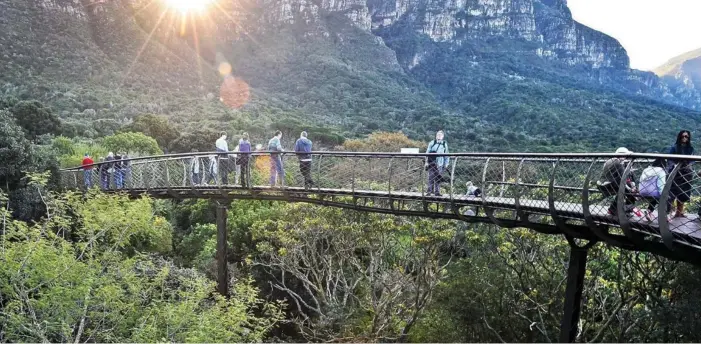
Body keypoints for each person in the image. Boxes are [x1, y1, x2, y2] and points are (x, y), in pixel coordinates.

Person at [597, 147, 638, 216]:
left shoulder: (610, 160)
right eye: (626, 156)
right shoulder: (618, 163)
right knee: (628, 191)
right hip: (608, 185)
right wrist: (630, 189)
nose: (626, 158)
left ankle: (613, 209)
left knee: (624, 191)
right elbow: (622, 178)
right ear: (622, 155)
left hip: (601, 184)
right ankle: (627, 209)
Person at [667, 130, 695, 218]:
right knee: (672, 193)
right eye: (683, 136)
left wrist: (689, 165)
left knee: (683, 193)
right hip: (676, 173)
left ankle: (679, 212)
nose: (684, 138)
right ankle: (669, 212)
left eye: (686, 136)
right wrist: (674, 166)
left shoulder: (690, 148)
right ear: (680, 137)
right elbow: (670, 159)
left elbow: (692, 159)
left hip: (686, 173)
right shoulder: (674, 147)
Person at [639, 157, 671, 222]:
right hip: (652, 192)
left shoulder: (646, 169)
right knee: (669, 197)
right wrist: (664, 195)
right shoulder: (661, 171)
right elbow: (660, 186)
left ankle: (649, 211)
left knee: (655, 197)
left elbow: (640, 181)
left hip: (642, 191)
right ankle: (666, 215)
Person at [424, 130, 450, 196]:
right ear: (436, 136)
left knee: (438, 178)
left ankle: (437, 192)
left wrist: (446, 163)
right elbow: (427, 153)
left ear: (443, 136)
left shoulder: (444, 144)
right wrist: (426, 162)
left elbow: (446, 155)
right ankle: (429, 191)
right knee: (431, 177)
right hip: (432, 163)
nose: (439, 136)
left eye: (440, 135)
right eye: (438, 135)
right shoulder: (432, 143)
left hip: (440, 163)